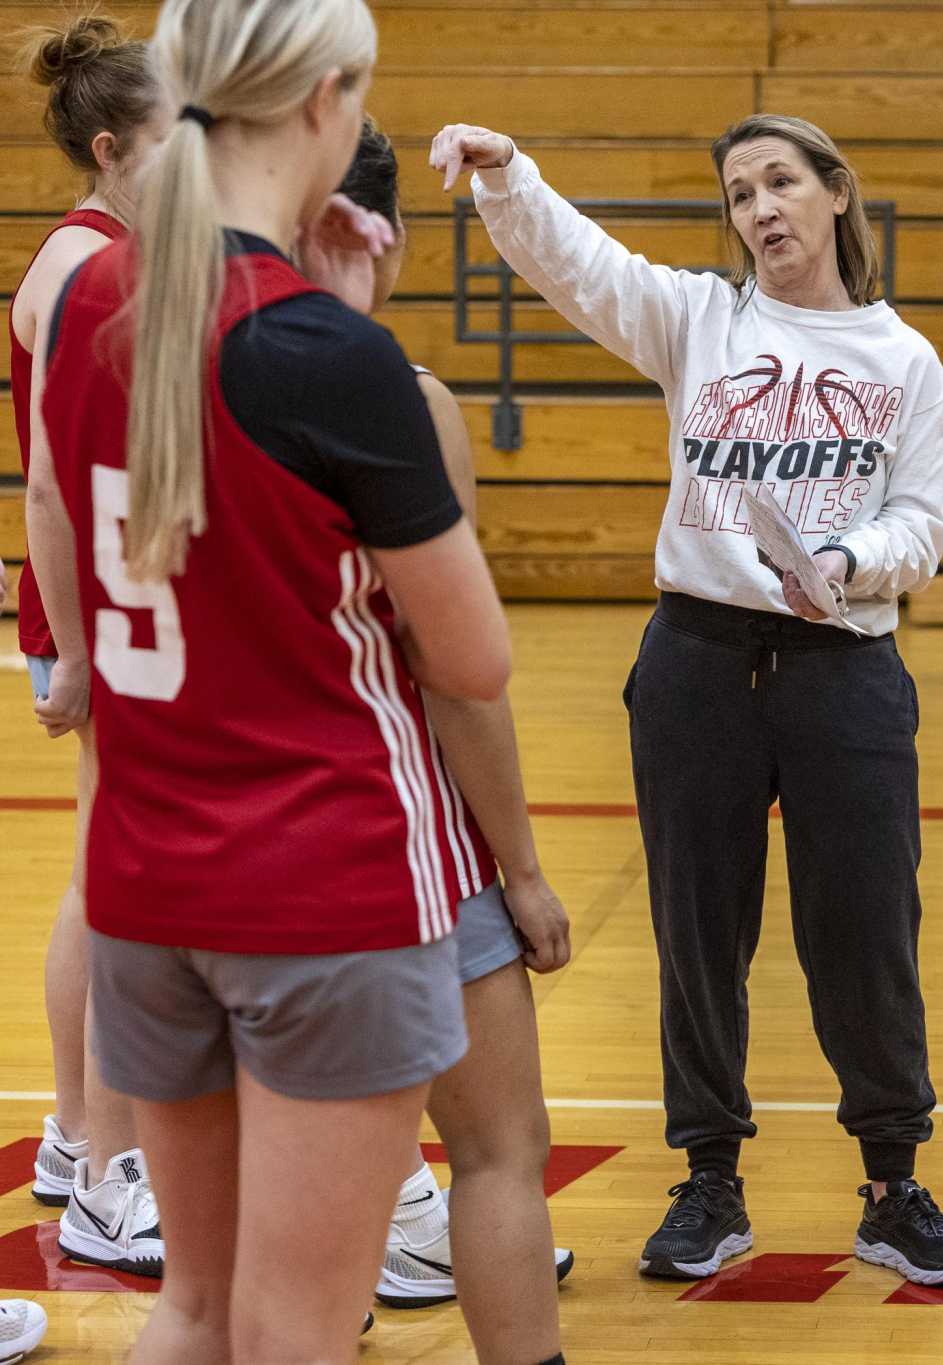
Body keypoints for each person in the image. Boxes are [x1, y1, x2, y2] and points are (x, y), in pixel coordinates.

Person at [28, 1, 513, 1359]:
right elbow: (469, 656)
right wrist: (354, 363)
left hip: (142, 881)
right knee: (297, 1318)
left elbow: (85, 536)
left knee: (192, 1301)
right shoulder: (331, 356)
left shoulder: (84, 303)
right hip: (317, 889)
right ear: (325, 100)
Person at [428, 110, 943, 1285]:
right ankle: (708, 1179)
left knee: (868, 932)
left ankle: (893, 1184)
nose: (761, 209)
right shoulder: (702, 320)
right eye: (739, 194)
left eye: (781, 183)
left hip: (845, 667)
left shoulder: (904, 360)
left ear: (835, 193)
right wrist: (509, 174)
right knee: (696, 930)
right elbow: (581, 266)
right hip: (695, 664)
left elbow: (924, 525)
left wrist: (844, 565)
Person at [331, 117, 576, 1362]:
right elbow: (458, 669)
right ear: (391, 237)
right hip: (392, 842)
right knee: (494, 1155)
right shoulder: (403, 402)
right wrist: (520, 870)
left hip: (207, 856)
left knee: (285, 1206)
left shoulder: (161, 372)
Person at [11, 13, 166, 1277]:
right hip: (92, 614)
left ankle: (76, 1134)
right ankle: (108, 1168)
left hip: (113, 605)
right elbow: (54, 485)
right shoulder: (77, 265)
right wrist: (67, 646)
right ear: (112, 147)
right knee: (116, 886)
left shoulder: (111, 248)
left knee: (104, 874)